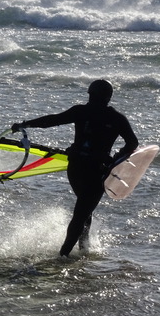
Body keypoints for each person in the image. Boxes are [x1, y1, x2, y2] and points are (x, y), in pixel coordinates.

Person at [12, 79, 138, 257]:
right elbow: (132, 143)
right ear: (109, 97)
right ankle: (65, 255)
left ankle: (80, 249)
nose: (90, 99)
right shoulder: (116, 118)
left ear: (92, 94)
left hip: (78, 168)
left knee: (84, 210)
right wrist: (116, 159)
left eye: (92, 95)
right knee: (82, 212)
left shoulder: (83, 111)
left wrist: (25, 124)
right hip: (95, 170)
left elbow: (53, 120)